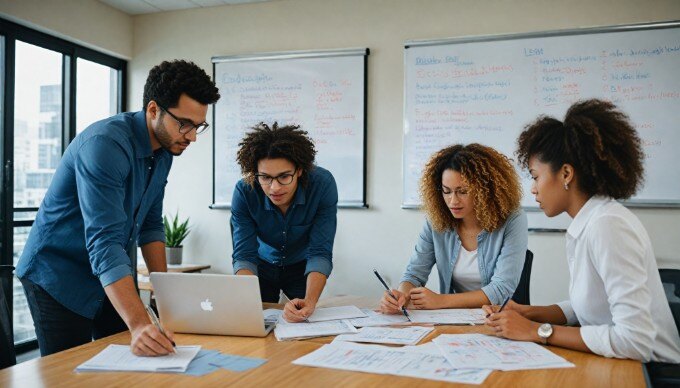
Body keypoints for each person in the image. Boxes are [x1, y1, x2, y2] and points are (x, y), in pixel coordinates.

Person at [16, 60, 220, 357]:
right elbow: (104, 241)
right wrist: (138, 323)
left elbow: (150, 224)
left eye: (198, 125)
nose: (191, 136)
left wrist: (165, 299)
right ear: (153, 110)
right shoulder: (105, 145)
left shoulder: (165, 151)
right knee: (69, 372)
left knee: (133, 360)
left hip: (110, 272)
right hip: (59, 274)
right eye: (184, 123)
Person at [485, 99, 680, 363]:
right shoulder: (589, 222)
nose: (533, 189)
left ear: (566, 173)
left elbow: (635, 341)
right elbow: (590, 307)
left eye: (535, 176)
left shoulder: (608, 226)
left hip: (651, 373)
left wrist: (537, 331)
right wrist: (531, 313)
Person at [380, 144, 528, 314]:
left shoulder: (513, 219)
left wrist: (440, 300)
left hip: (499, 318)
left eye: (463, 191)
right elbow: (414, 274)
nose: (453, 201)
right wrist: (401, 296)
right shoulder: (436, 221)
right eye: (446, 191)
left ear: (485, 191)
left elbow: (501, 289)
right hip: (452, 318)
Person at [231, 123, 338, 323]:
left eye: (284, 177)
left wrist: (310, 300)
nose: (274, 188)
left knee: (304, 320)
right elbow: (244, 254)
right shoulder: (244, 191)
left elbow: (320, 251)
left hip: (301, 266)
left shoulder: (322, 184)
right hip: (261, 266)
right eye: (265, 177)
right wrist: (246, 301)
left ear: (299, 170)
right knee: (256, 323)